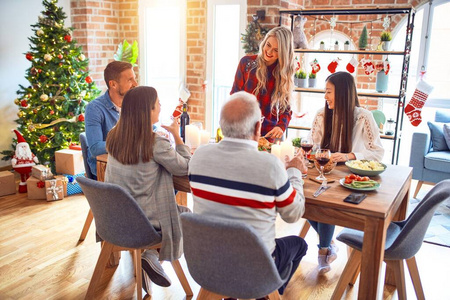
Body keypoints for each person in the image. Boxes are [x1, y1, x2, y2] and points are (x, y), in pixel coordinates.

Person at [189, 91, 308, 296]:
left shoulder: (198, 157)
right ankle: (266, 293)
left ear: (222, 125)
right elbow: (293, 214)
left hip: (207, 264)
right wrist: (294, 171)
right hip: (255, 270)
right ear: (257, 127)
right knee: (299, 245)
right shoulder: (270, 165)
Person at [104, 86, 191, 293]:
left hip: (114, 221)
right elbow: (185, 167)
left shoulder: (114, 136)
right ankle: (151, 256)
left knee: (168, 209)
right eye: (157, 104)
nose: (160, 106)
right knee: (187, 217)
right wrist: (178, 138)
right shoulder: (155, 143)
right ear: (147, 111)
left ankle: (149, 258)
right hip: (144, 224)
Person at [308, 71, 384, 274]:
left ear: (342, 93)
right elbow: (313, 146)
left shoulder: (363, 117)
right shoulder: (321, 115)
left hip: (350, 180)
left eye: (329, 91)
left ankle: (323, 251)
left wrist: (348, 155)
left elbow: (377, 153)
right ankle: (329, 244)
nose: (325, 96)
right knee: (302, 200)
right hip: (323, 174)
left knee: (325, 207)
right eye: (325, 91)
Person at [231, 26, 295, 141]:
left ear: (283, 53)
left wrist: (281, 127)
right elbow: (234, 96)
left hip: (267, 136)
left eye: (276, 50)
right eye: (268, 45)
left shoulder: (283, 74)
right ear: (264, 42)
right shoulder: (246, 63)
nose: (269, 52)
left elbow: (286, 108)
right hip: (243, 131)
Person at [85, 61, 138, 178]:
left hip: (129, 164)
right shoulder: (94, 108)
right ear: (113, 84)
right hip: (105, 169)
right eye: (129, 80)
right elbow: (95, 148)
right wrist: (128, 143)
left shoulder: (133, 104)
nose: (135, 84)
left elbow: (148, 127)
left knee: (164, 173)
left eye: (134, 79)